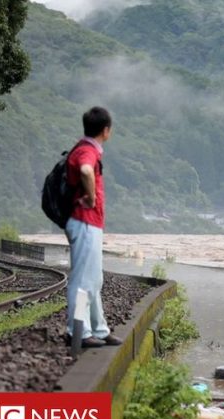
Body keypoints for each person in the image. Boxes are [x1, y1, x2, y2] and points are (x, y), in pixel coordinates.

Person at [64, 107, 121, 348]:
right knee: (82, 281)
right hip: (84, 222)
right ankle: (77, 332)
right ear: (106, 130)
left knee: (94, 279)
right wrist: (92, 197)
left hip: (90, 223)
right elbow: (86, 170)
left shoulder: (86, 149)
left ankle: (98, 329)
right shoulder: (86, 151)